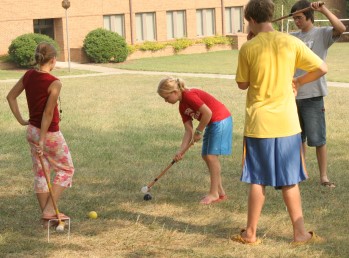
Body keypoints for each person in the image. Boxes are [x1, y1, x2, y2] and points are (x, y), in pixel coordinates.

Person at [231, 0, 328, 245]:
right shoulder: (290, 41)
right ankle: (300, 233)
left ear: (251, 20)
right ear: (270, 15)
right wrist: (300, 81)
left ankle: (250, 234)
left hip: (259, 123)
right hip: (287, 123)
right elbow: (322, 67)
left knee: (257, 179)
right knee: (289, 180)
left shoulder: (248, 48)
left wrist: (251, 43)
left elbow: (242, 84)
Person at [7, 42, 74, 228]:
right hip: (49, 134)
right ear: (53, 60)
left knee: (41, 173)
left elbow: (10, 97)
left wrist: (21, 120)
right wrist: (43, 139)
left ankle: (46, 220)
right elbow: (47, 113)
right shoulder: (55, 82)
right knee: (67, 169)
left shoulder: (29, 75)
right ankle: (49, 210)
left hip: (32, 131)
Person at [290, 0, 346, 188]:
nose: (296, 22)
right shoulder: (292, 37)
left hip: (313, 95)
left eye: (299, 18)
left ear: (309, 17)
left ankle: (324, 177)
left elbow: (341, 28)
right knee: (298, 138)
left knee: (318, 139)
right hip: (293, 95)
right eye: (294, 19)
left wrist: (323, 9)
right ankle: (301, 172)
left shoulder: (322, 34)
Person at [157, 77, 232, 205]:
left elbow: (207, 113)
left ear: (174, 92)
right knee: (206, 156)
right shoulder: (182, 107)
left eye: (166, 98)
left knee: (210, 156)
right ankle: (220, 192)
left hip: (220, 120)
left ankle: (214, 194)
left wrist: (199, 131)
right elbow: (188, 131)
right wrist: (180, 151)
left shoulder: (189, 95)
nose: (165, 101)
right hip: (212, 123)